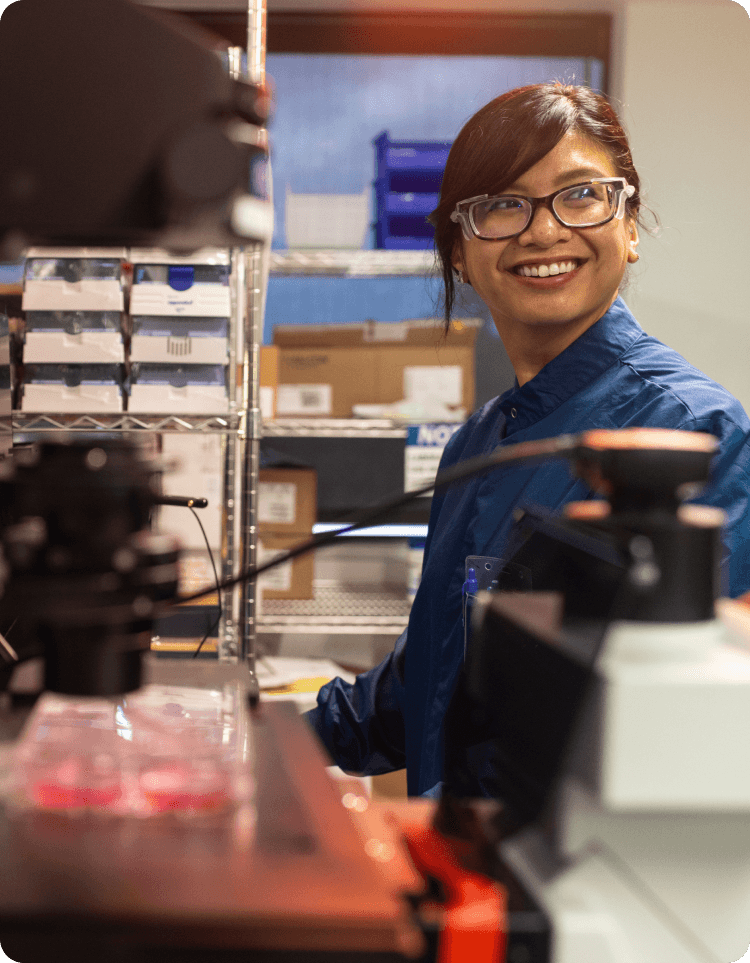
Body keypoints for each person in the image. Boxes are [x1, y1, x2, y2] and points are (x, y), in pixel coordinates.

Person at [305, 83, 750, 798]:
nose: (543, 231)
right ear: (458, 251)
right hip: (468, 869)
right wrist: (266, 734)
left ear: (630, 225)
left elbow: (664, 727)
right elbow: (433, 676)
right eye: (503, 206)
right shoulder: (479, 443)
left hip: (583, 878)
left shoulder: (692, 434)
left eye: (580, 195)